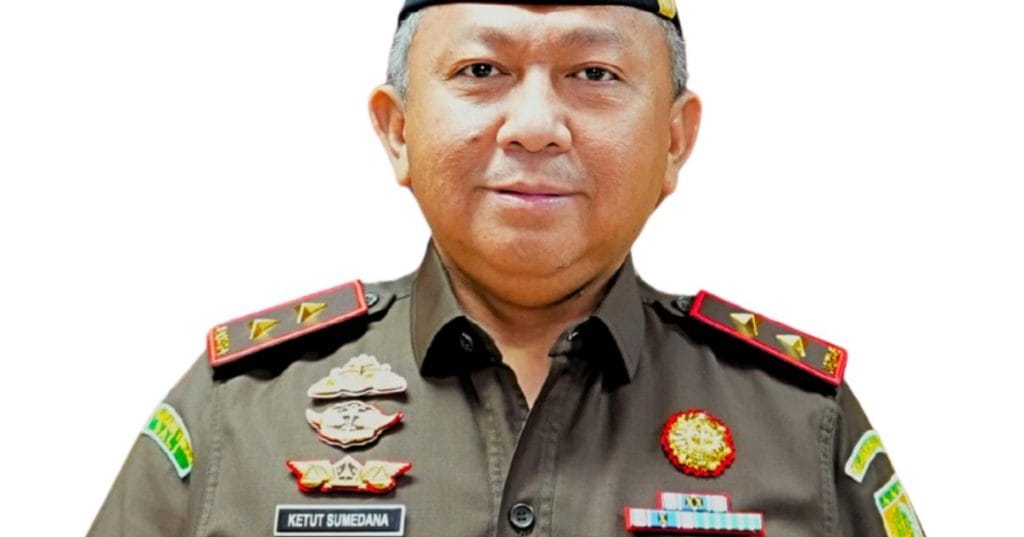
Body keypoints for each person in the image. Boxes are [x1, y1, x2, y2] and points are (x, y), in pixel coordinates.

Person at [87, 1, 925, 536]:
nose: (534, 125)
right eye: (481, 71)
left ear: (675, 140)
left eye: (593, 73)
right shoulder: (241, 410)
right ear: (398, 130)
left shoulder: (799, 423)